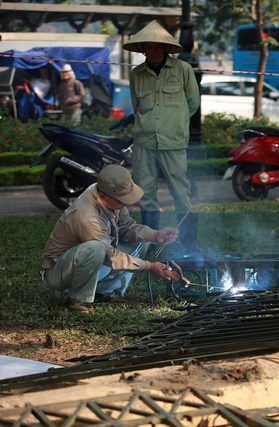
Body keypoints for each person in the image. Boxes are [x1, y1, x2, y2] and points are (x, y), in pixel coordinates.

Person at [40, 165, 180, 313]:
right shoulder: (86, 215)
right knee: (96, 248)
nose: (125, 204)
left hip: (88, 261)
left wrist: (155, 235)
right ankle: (77, 298)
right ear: (103, 196)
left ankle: (102, 292)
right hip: (58, 271)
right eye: (121, 201)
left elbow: (127, 227)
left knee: (141, 240)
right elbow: (110, 256)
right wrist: (149, 266)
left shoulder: (110, 196)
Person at [123, 20, 201, 251]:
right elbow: (137, 105)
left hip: (173, 141)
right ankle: (150, 244)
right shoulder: (136, 74)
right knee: (145, 194)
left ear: (167, 48)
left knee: (180, 191)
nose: (153, 51)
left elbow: (193, 104)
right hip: (144, 142)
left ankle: (189, 244)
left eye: (158, 47)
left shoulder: (183, 70)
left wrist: (174, 123)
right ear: (143, 49)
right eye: (149, 47)